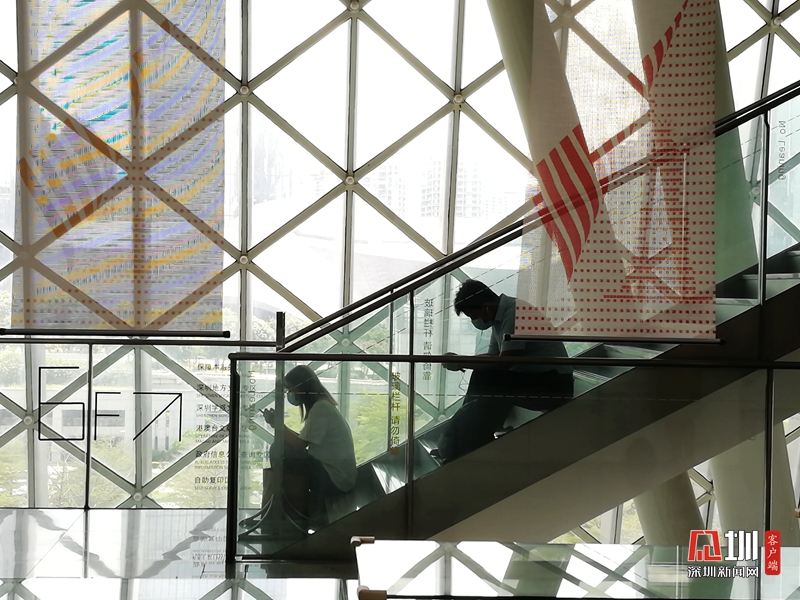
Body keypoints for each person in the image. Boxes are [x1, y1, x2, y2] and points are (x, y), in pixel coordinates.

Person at [438, 279, 573, 460]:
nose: (474, 321)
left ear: (486, 308)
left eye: (472, 316)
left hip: (554, 385)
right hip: (538, 379)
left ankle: (465, 441)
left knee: (488, 379)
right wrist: (460, 360)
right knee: (483, 375)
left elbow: (505, 362)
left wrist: (461, 362)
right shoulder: (500, 319)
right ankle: (462, 439)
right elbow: (493, 358)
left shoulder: (516, 312)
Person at [263, 365, 357, 527]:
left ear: (301, 388)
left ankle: (281, 502)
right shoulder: (322, 406)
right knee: (281, 447)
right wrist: (277, 425)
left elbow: (299, 444)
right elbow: (302, 440)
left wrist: (278, 425)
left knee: (278, 448)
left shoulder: (321, 409)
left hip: (334, 479)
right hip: (337, 476)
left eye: (291, 389)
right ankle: (286, 503)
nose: (290, 394)